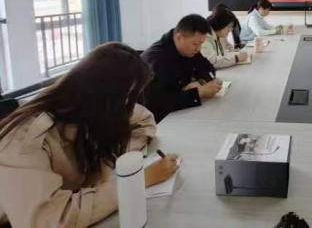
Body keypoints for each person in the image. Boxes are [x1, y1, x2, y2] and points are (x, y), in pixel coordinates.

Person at [0, 43, 179, 228]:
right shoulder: (25, 139)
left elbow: (144, 120)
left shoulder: (87, 108)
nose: (127, 105)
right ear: (102, 94)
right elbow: (49, 220)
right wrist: (136, 181)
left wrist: (113, 156)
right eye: (125, 97)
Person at [142, 14, 223, 122]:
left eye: (201, 43)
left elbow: (207, 67)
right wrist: (199, 92)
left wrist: (203, 82)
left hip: (181, 112)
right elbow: (157, 104)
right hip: (157, 121)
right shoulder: (158, 60)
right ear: (179, 37)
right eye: (195, 44)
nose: (198, 49)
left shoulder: (188, 49)